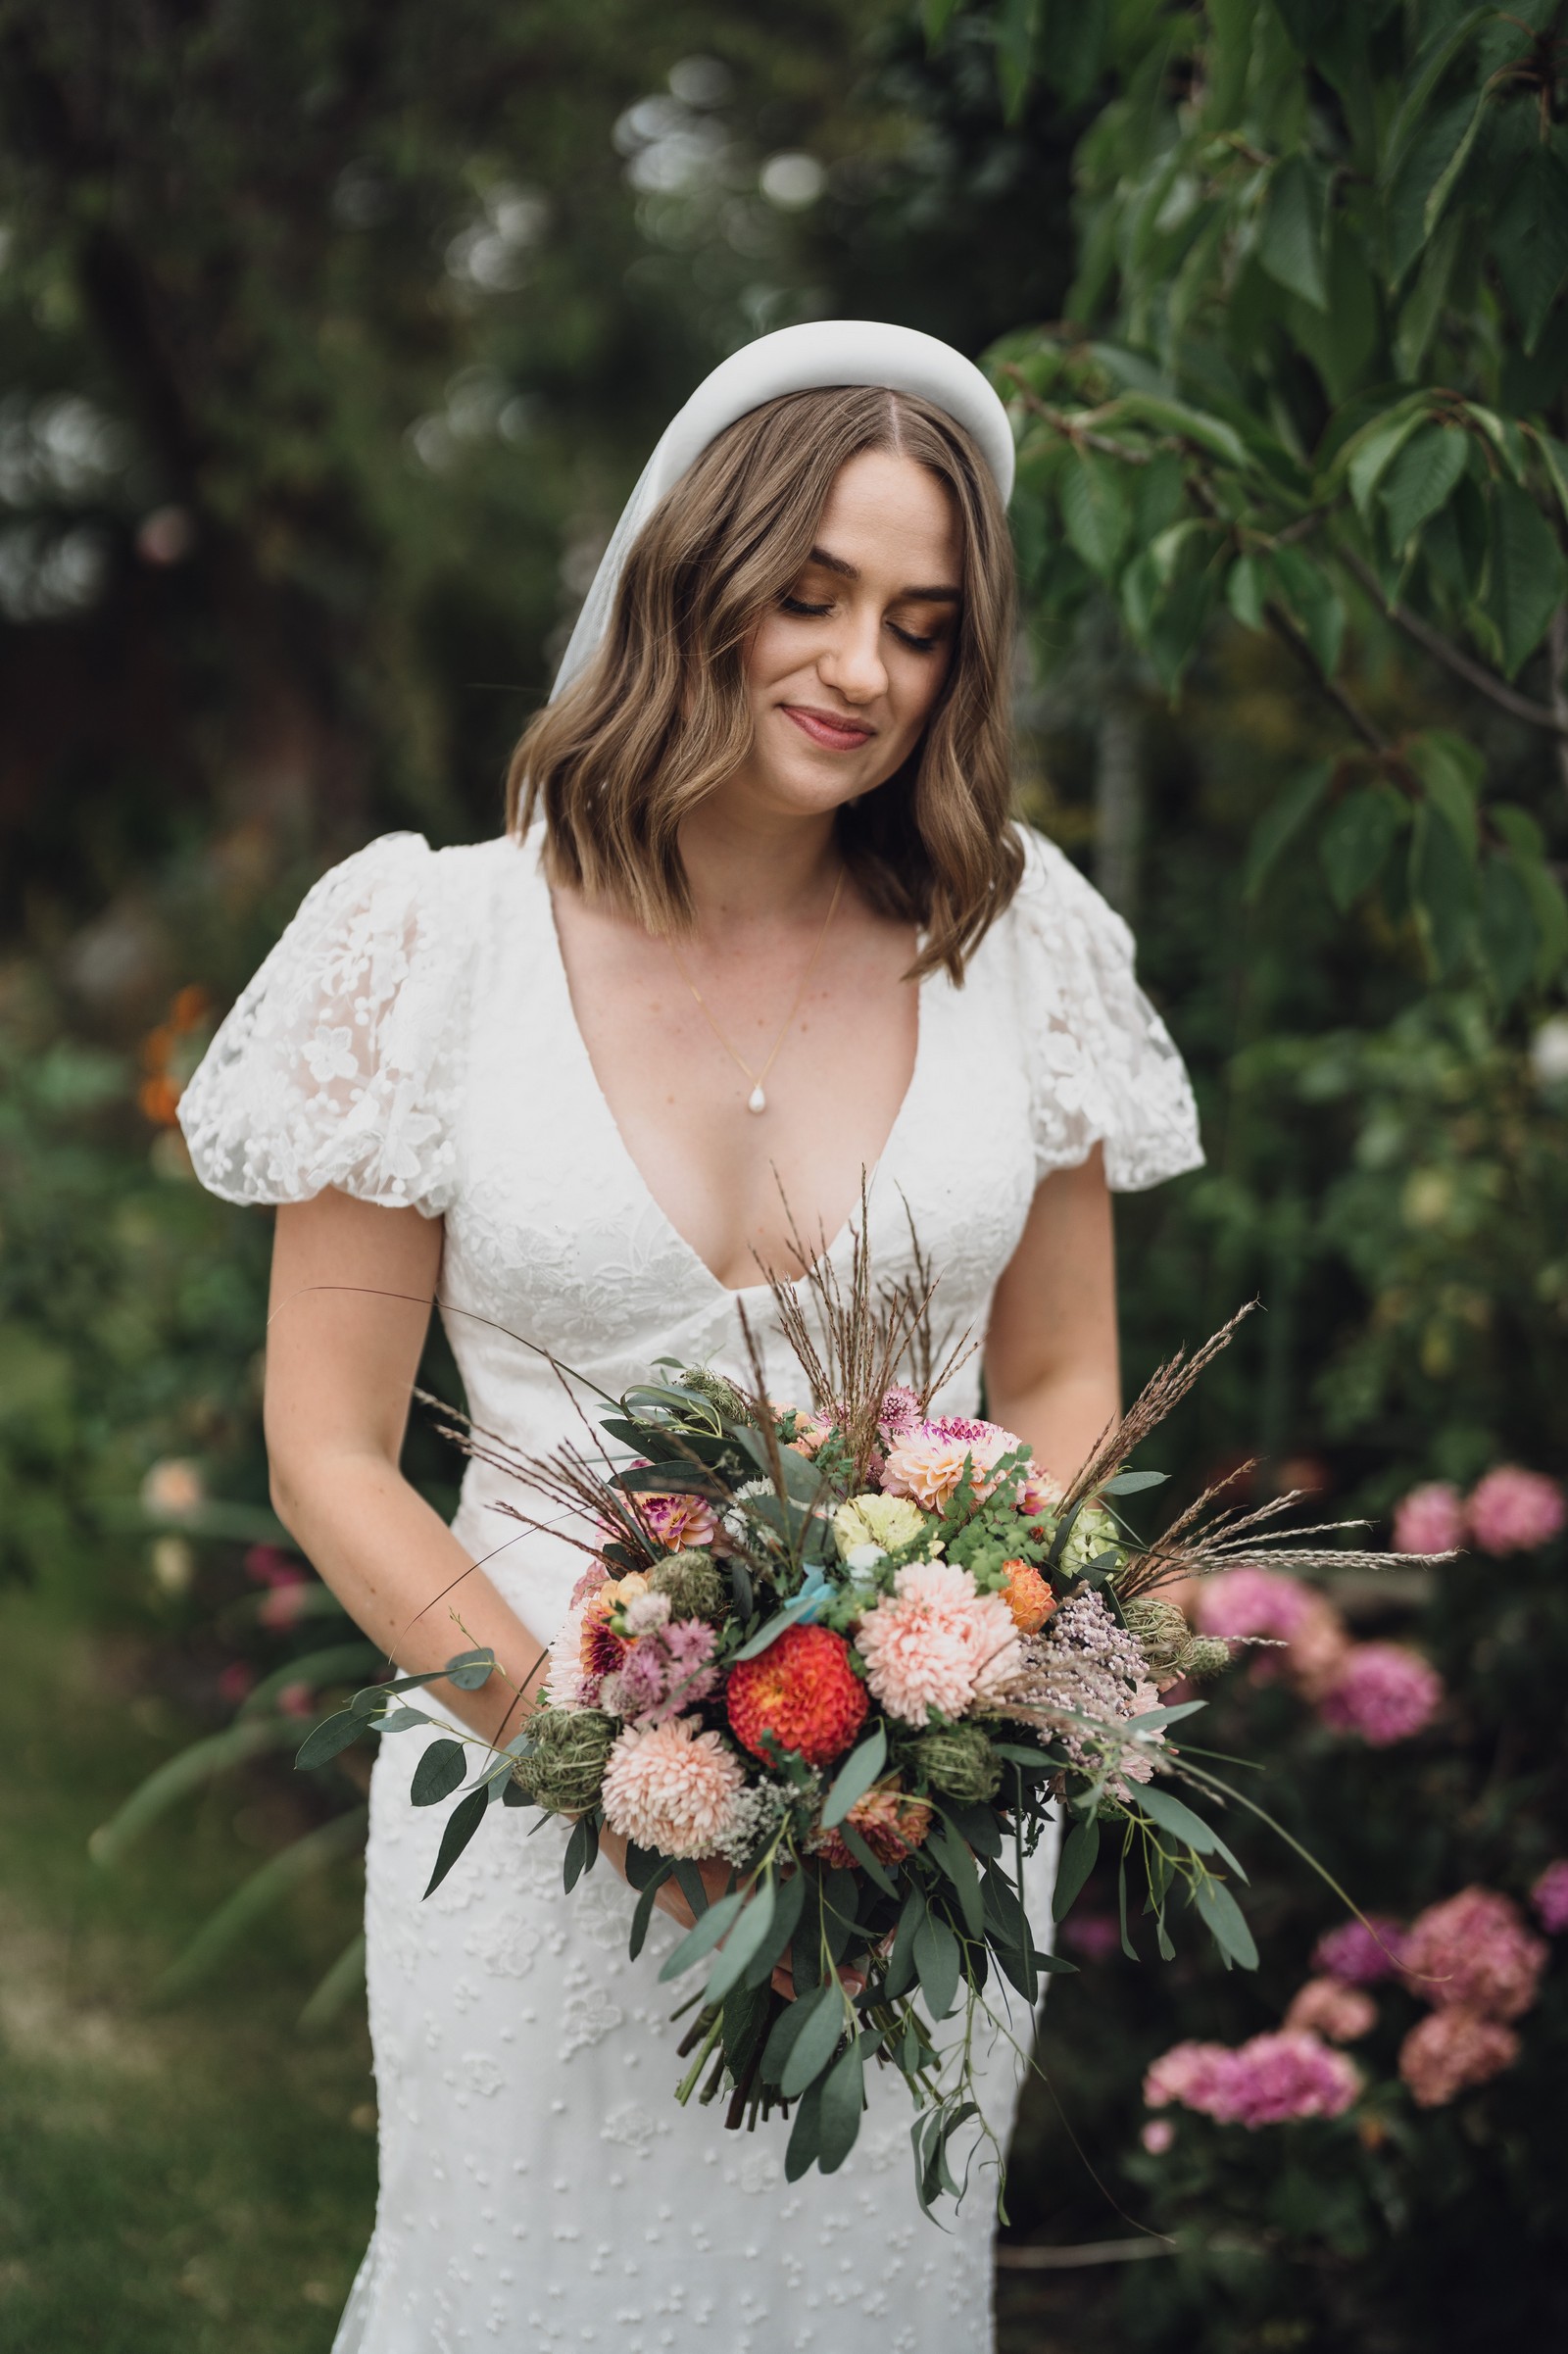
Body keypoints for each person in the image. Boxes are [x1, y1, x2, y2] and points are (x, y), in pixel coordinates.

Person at [178, 319, 1202, 2353]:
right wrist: (604, 1770)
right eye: (805, 594)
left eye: (919, 625)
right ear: (687, 577)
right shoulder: (431, 940)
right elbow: (325, 1441)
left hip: (911, 1818)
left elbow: (1069, 1377)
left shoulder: (1019, 942)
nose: (857, 670)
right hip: (528, 1784)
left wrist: (990, 1664)